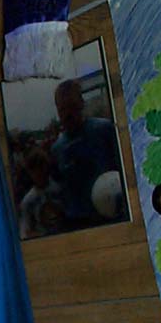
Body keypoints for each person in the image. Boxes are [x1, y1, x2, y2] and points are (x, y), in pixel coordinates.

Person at [49, 78, 120, 228]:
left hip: (111, 217)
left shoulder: (105, 130)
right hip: (78, 223)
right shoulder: (56, 149)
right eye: (62, 109)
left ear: (81, 103)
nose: (68, 114)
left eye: (72, 106)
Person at [18, 146, 64, 238]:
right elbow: (26, 232)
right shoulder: (28, 201)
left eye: (41, 167)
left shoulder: (59, 189)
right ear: (29, 172)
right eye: (34, 170)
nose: (39, 172)